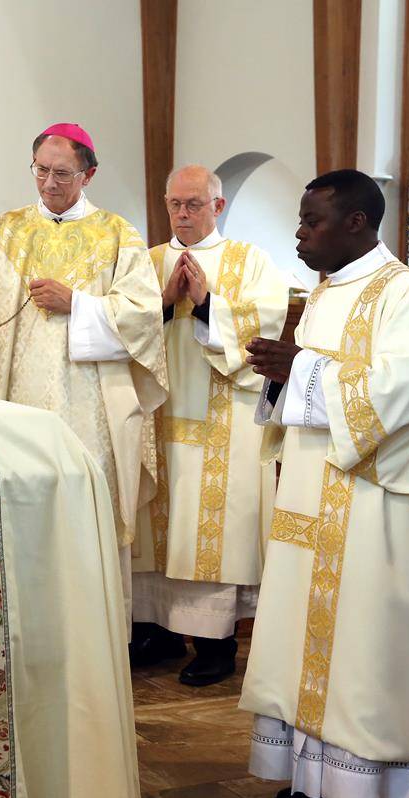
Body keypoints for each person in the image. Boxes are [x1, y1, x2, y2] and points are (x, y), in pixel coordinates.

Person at [241, 169, 409, 798]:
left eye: (312, 221)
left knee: (363, 655)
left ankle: (365, 786)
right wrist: (282, 377)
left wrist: (302, 368)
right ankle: (311, 779)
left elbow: (408, 390)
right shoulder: (323, 293)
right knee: (300, 645)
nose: (300, 234)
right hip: (310, 501)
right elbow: (305, 395)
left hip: (371, 510)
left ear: (356, 223)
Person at [0, 123, 167, 570]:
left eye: (63, 174)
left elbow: (144, 316)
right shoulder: (4, 232)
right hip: (15, 405)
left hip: (89, 414)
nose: (49, 183)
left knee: (84, 519)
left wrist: (79, 304)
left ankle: (94, 634)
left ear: (88, 175)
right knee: (17, 520)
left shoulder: (117, 236)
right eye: (41, 170)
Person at [131, 164, 289, 686]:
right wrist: (159, 301)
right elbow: (123, 328)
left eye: (194, 203)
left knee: (210, 531)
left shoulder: (251, 262)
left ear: (217, 207)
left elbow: (265, 325)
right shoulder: (146, 262)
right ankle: (155, 632)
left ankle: (215, 645)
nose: (182, 213)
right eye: (174, 203)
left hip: (224, 426)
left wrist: (203, 305)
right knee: (157, 529)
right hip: (158, 419)